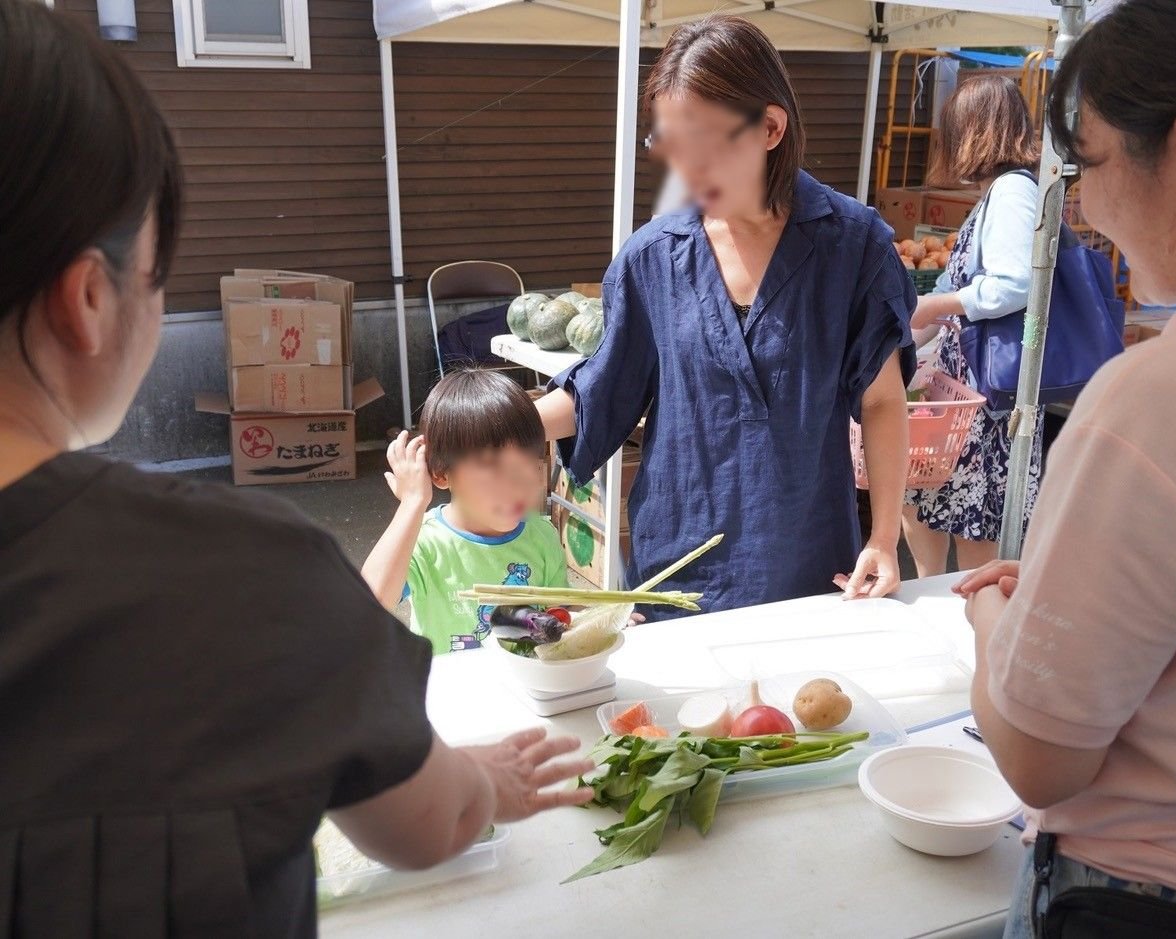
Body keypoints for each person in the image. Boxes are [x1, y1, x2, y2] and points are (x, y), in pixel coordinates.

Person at [0, 4, 591, 935]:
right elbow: (424, 820)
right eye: (158, 274)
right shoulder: (238, 569)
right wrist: (481, 777)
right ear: (87, 299)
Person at [956, 1, 1176, 934]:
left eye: (1087, 163)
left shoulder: (1160, 400)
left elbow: (1038, 756)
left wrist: (991, 615)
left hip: (1154, 903)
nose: (1085, 207)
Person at [536, 15, 915, 618]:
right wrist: (494, 429)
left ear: (769, 126)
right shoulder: (652, 257)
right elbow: (601, 391)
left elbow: (882, 400)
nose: (686, 170)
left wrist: (885, 537)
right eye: (669, 144)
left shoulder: (853, 246)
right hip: (677, 569)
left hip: (809, 563)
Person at [903, 76, 1043, 577]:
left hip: (991, 400)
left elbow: (1013, 284)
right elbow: (954, 292)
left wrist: (933, 304)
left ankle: (970, 638)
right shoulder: (998, 194)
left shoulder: (1011, 193)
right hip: (972, 395)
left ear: (973, 132)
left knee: (976, 534)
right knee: (930, 504)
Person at [362, 369, 567, 653]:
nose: (519, 484)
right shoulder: (424, 543)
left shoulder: (542, 536)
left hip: (525, 690)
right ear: (440, 473)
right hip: (450, 693)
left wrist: (598, 620)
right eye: (494, 468)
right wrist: (412, 503)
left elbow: (562, 610)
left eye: (529, 463)